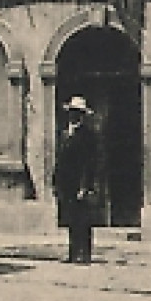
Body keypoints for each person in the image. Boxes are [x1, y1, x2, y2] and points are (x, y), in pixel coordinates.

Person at [53, 96, 100, 265]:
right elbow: (60, 160)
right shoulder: (65, 133)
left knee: (83, 219)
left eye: (77, 113)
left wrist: (85, 186)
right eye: (72, 113)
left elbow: (90, 163)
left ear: (82, 116)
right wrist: (56, 182)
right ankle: (73, 253)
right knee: (71, 219)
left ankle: (85, 254)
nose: (74, 116)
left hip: (79, 183)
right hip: (67, 183)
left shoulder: (88, 135)